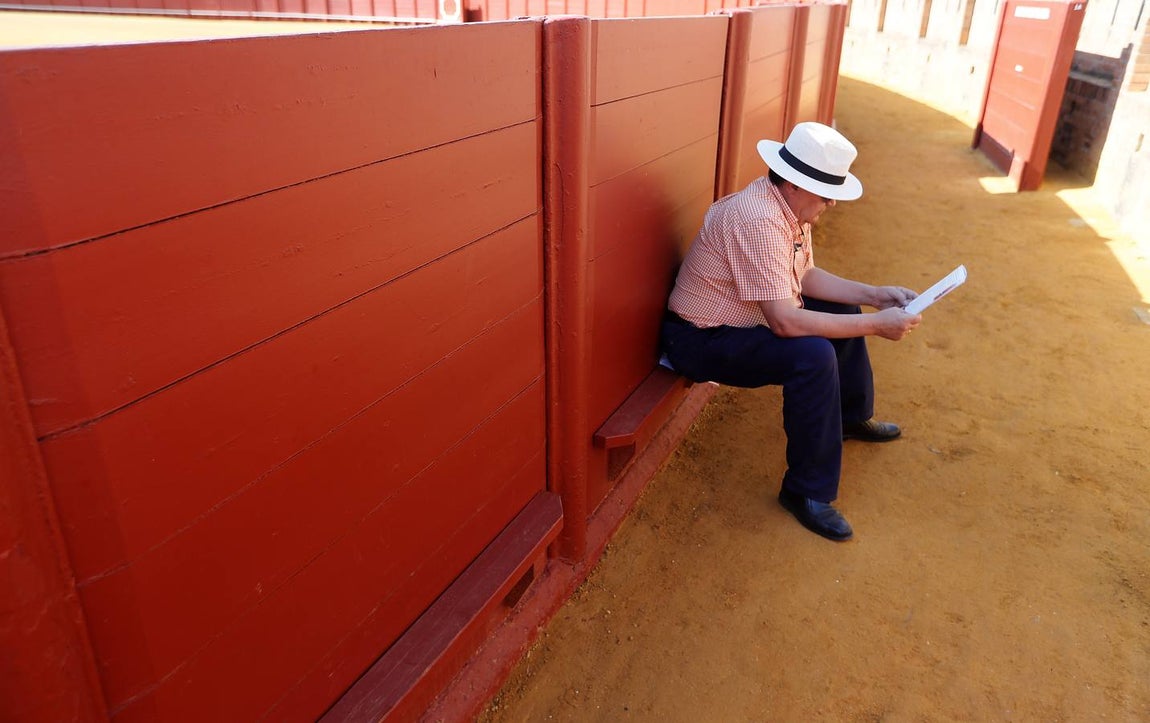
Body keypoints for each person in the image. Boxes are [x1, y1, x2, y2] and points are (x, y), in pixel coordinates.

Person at [660, 121, 921, 542]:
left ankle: (850, 418)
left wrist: (875, 295)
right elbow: (785, 321)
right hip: (700, 339)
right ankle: (806, 493)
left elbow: (807, 276)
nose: (832, 204)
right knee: (813, 356)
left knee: (841, 309)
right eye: (826, 194)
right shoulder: (759, 219)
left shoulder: (788, 207)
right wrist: (876, 325)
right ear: (796, 184)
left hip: (742, 321)